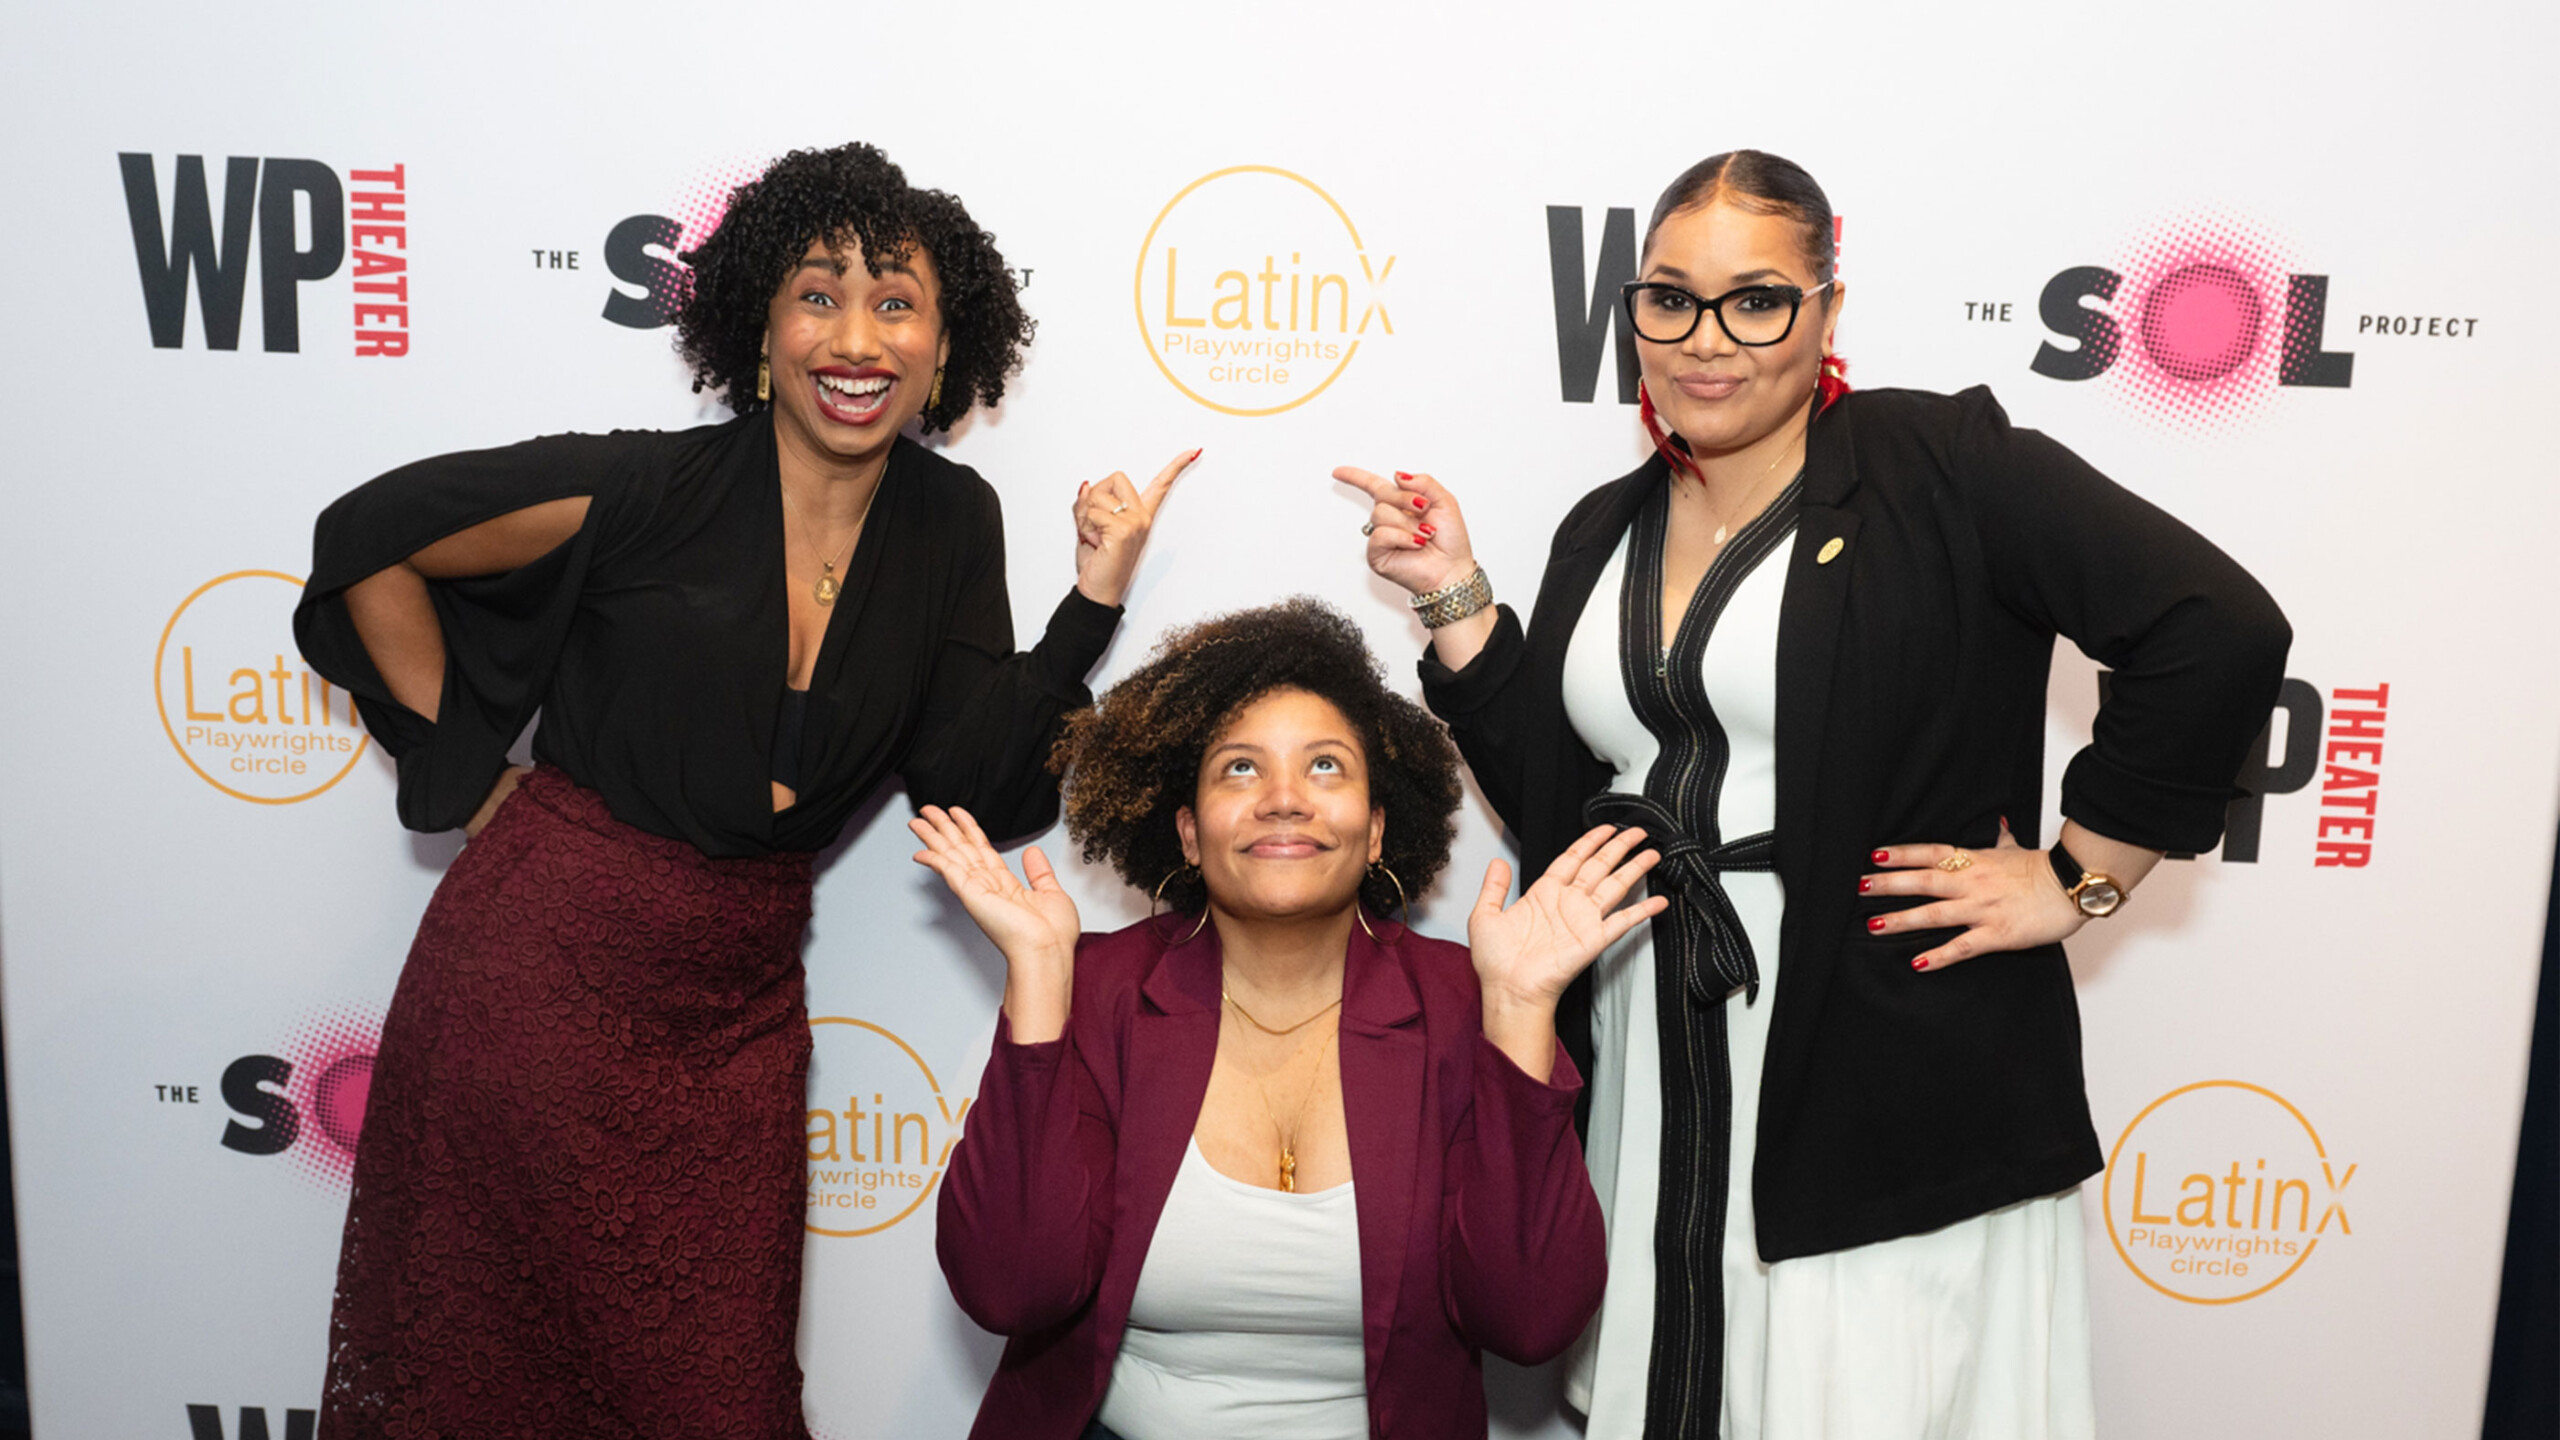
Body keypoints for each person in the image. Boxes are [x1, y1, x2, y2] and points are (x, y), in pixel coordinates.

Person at [1337, 150, 2291, 1438]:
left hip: (1879, 1078)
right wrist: (1456, 600)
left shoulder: (1937, 466)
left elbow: (2213, 628)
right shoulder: (1599, 528)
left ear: (1827, 313)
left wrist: (2077, 877)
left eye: (1757, 299)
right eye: (1668, 299)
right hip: (1660, 1065)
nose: (1707, 339)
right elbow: (1571, 820)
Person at [291, 141, 1195, 1439]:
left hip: (734, 1022)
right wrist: (475, 780)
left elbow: (974, 786)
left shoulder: (951, 526)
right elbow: (369, 543)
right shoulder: (645, 488)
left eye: (897, 304)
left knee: (718, 1393)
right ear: (757, 326)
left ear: (945, 353)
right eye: (819, 293)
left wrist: (1091, 600)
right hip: (533, 982)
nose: (857, 336)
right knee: (483, 1380)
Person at [916, 598, 1658, 1440]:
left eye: (1326, 768)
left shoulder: (1464, 1002)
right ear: (1189, 836)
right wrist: (1041, 982)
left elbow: (1528, 1321)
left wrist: (1522, 1012)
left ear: (1377, 831)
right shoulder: (1101, 989)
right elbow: (1010, 1286)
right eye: (1239, 769)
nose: (1282, 800)